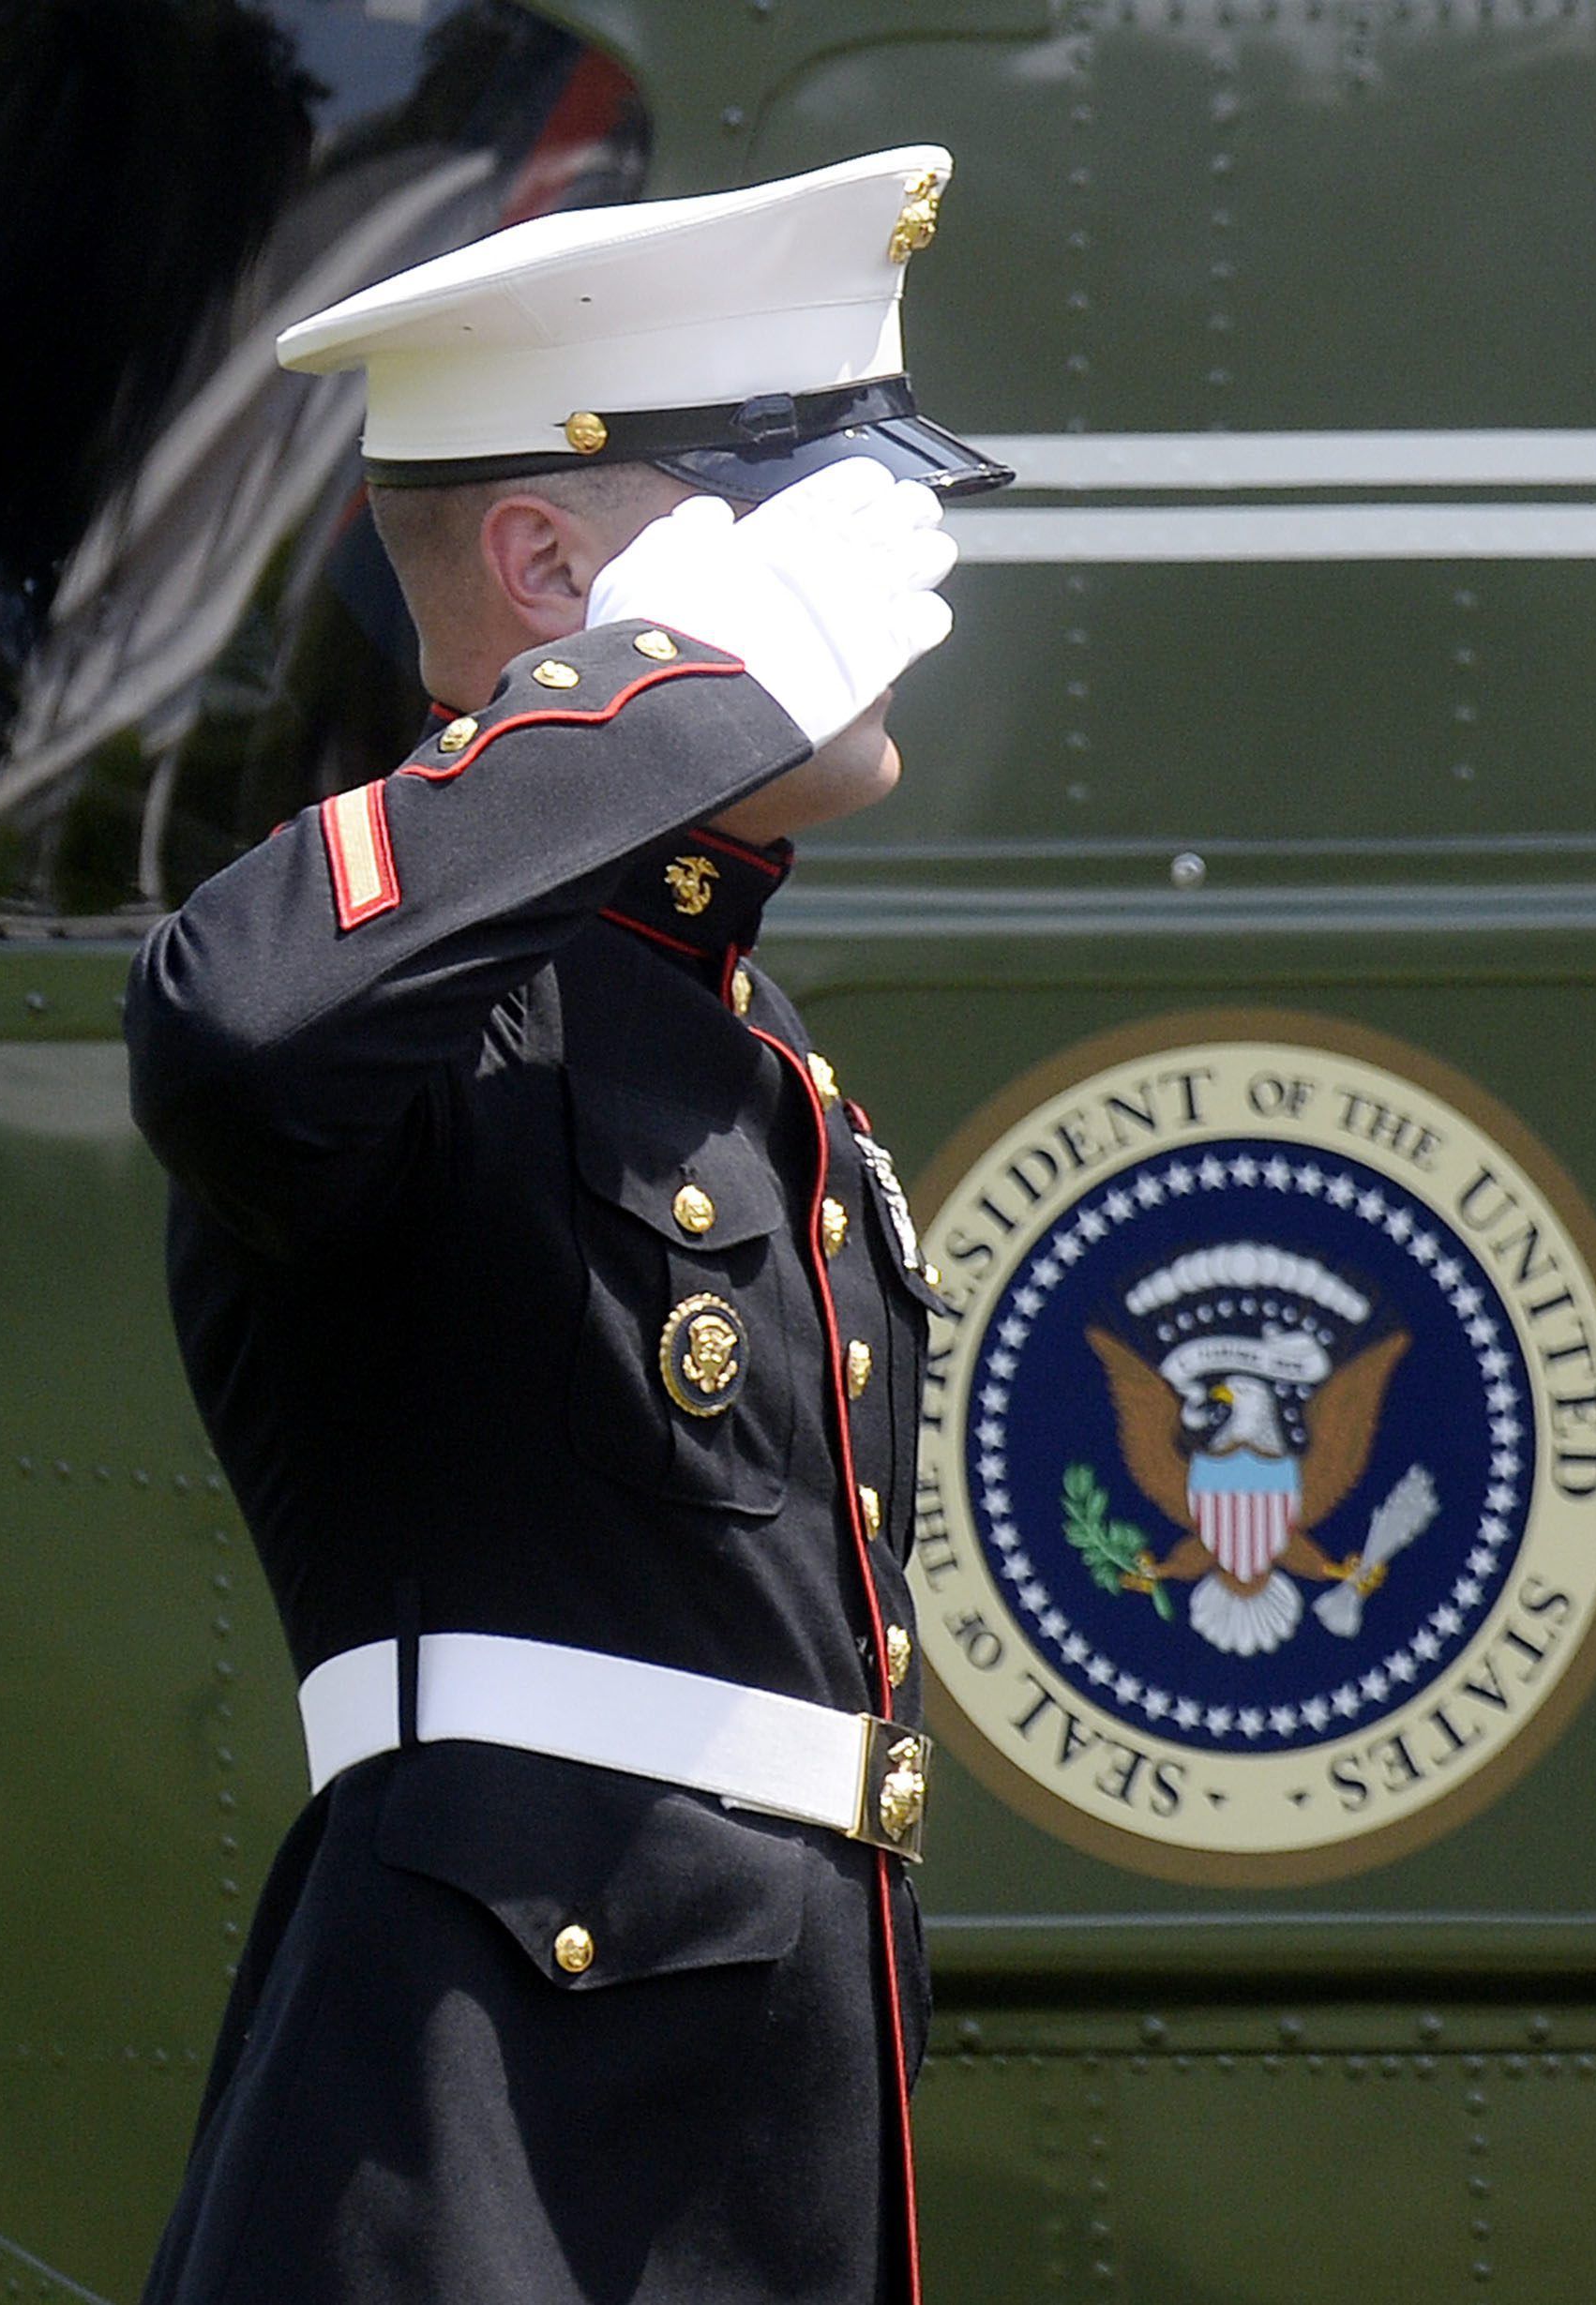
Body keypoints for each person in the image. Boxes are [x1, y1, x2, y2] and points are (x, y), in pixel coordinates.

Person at [127, 146, 1010, 2305]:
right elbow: (237, 1026)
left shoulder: (733, 1036)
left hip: (731, 2161)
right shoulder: (414, 1015)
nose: (881, 601)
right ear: (547, 563)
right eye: (797, 538)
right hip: (479, 2165)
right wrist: (680, 690)